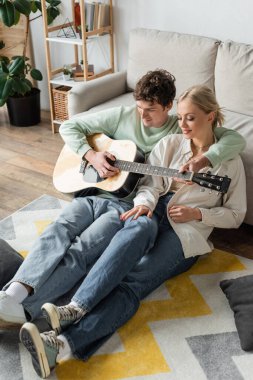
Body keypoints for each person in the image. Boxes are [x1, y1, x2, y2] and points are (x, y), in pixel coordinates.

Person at [0, 71, 246, 377]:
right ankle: (70, 306)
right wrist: (144, 204)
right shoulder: (171, 143)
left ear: (211, 117)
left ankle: (62, 344)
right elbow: (150, 185)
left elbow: (236, 215)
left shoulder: (230, 163)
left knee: (132, 281)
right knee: (109, 242)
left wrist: (199, 215)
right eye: (181, 118)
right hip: (149, 212)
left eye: (190, 119)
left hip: (186, 234)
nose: (182, 125)